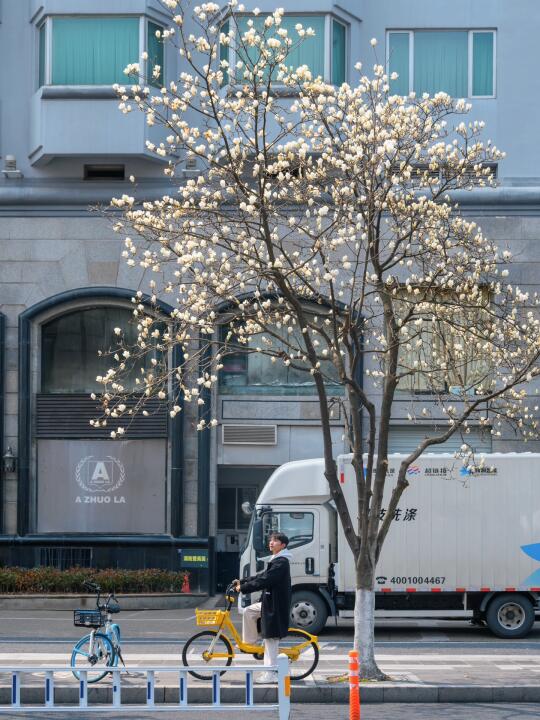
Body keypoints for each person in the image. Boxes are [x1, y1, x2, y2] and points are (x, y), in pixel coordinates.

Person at [233, 532, 292, 684]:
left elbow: (265, 580)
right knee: (249, 611)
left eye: (276, 541)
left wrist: (244, 588)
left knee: (271, 639)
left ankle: (271, 673)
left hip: (275, 605)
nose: (271, 543)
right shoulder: (276, 560)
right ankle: (250, 643)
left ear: (283, 545)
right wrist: (242, 581)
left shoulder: (281, 562)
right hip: (269, 602)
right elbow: (261, 575)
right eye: (271, 540)